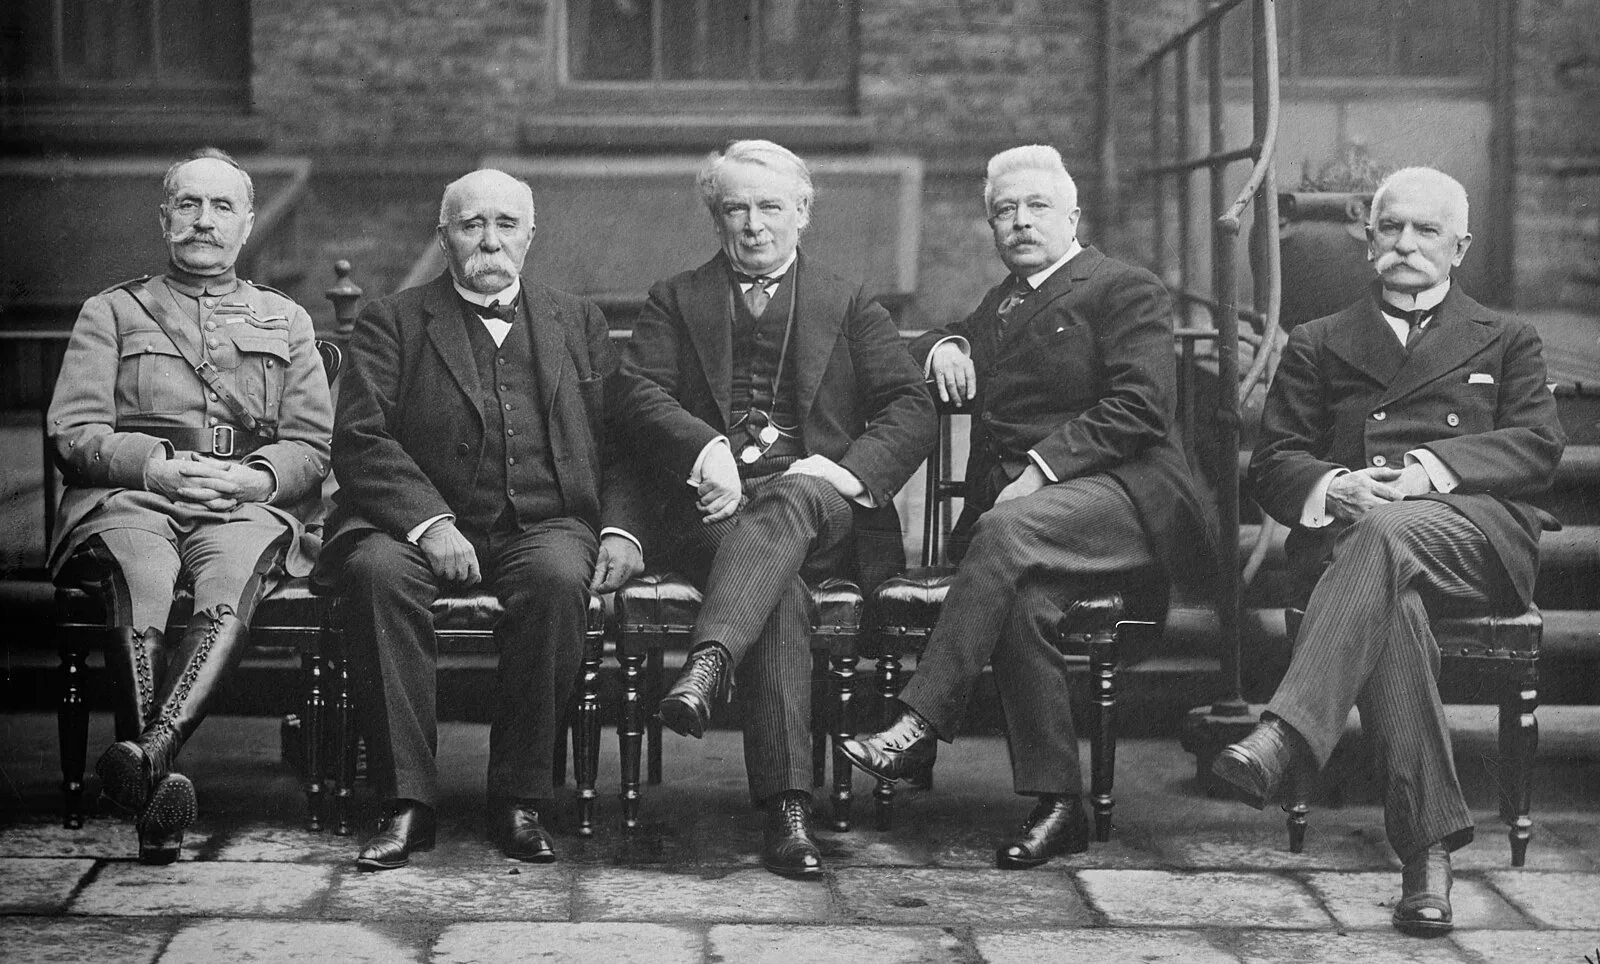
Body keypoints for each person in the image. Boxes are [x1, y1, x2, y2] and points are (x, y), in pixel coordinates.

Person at [1213, 167, 1565, 936]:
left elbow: (1539, 445)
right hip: (1356, 548)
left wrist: (1427, 472)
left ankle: (1286, 732)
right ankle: (1427, 859)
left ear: (1459, 247)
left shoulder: (1506, 337)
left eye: (1426, 230)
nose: (1406, 243)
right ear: (1369, 239)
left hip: (1472, 538)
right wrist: (1335, 485)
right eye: (1391, 228)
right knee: (1390, 600)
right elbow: (1273, 465)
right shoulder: (1318, 342)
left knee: (1384, 533)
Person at [839, 144, 1210, 870]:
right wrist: (945, 345)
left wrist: (1042, 470)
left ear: (1073, 216)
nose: (1020, 221)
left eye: (1037, 206)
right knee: (1022, 605)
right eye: (1004, 211)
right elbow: (916, 345)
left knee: (1004, 528)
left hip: (1125, 497)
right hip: (1039, 530)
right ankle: (1060, 805)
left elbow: (1142, 406)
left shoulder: (1123, 288)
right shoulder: (1002, 304)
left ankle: (917, 724)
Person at [620, 139, 936, 878]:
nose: (753, 225)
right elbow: (635, 393)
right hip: (716, 513)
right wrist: (704, 449)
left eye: (769, 207)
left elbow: (910, 406)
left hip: (821, 507)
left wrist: (842, 471)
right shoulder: (677, 298)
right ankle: (788, 811)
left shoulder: (847, 300)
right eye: (736, 209)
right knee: (779, 589)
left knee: (793, 496)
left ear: (802, 212)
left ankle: (709, 662)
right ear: (716, 218)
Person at [321, 169, 653, 870]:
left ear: (531, 235)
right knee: (375, 573)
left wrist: (621, 529)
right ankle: (407, 801)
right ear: (444, 237)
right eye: (472, 225)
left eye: (506, 224)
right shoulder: (392, 319)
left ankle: (519, 798)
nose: (490, 240)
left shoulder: (578, 321)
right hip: (412, 525)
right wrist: (430, 523)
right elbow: (360, 439)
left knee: (560, 580)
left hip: (544, 521)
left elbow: (623, 441)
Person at [48, 147, 334, 864]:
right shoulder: (112, 311)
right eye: (189, 204)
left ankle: (147, 759)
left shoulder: (285, 318)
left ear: (247, 225)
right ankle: (157, 789)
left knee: (228, 579)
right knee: (143, 575)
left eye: (222, 207)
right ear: (164, 219)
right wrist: (156, 466)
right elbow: (73, 432)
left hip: (242, 502)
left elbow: (312, 444)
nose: (204, 220)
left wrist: (256, 481)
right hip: (132, 497)